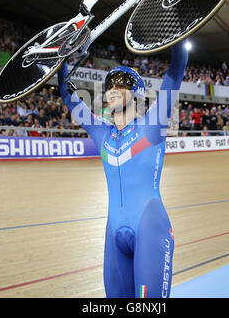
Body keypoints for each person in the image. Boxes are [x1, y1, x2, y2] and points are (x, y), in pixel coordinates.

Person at [58, 42, 188, 298]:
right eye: (110, 84)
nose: (114, 88)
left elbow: (175, 71)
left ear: (137, 94)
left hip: (150, 228)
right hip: (113, 232)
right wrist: (60, 59)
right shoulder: (102, 132)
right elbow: (68, 97)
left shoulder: (152, 124)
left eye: (123, 83)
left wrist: (179, 33)